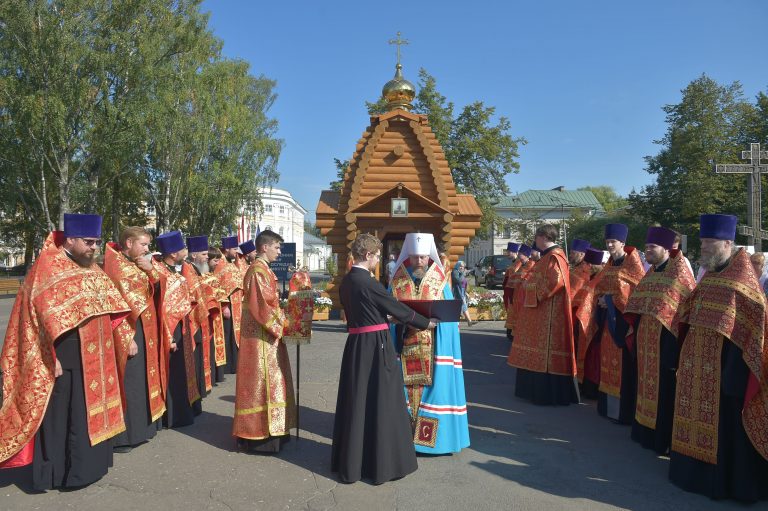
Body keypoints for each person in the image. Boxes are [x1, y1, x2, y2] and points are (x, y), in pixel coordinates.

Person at [0, 214, 130, 490]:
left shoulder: (93, 268)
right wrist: (49, 356)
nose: (94, 247)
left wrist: (123, 337)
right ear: (70, 238)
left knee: (87, 413)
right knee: (63, 416)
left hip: (97, 356)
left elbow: (111, 307)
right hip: (64, 357)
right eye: (88, 241)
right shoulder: (48, 266)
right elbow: (32, 319)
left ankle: (90, 467)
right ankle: (61, 474)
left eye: (96, 241)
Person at [669, 214, 768, 502]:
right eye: (702, 242)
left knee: (727, 428)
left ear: (727, 243)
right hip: (697, 364)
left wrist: (734, 374)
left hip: (728, 368)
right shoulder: (711, 274)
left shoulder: (742, 282)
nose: (704, 247)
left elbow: (754, 329)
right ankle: (693, 476)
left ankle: (727, 484)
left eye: (708, 242)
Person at [331, 233, 434, 484]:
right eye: (377, 256)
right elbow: (397, 308)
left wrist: (382, 318)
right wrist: (425, 323)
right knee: (382, 401)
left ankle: (352, 463)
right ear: (368, 255)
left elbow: (364, 311)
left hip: (356, 344)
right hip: (375, 347)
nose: (378, 261)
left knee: (357, 401)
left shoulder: (347, 281)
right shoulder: (368, 282)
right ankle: (382, 464)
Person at [389, 233, 470, 454]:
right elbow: (388, 312)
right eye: (415, 257)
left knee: (432, 392)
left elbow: (449, 319)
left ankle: (430, 443)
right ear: (408, 255)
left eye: (423, 257)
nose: (419, 262)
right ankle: (403, 439)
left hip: (433, 349)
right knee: (403, 391)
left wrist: (438, 325)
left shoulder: (440, 279)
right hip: (402, 346)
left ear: (429, 256)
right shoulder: (397, 279)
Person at [623, 227, 695, 454]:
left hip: (666, 344)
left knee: (664, 392)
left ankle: (661, 439)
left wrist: (671, 350)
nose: (647, 252)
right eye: (646, 247)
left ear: (667, 248)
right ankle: (643, 431)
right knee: (644, 385)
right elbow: (638, 302)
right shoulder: (652, 272)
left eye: (652, 248)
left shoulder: (679, 273)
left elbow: (682, 312)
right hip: (646, 341)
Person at [232, 230, 296, 453]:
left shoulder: (264, 270)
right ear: (264, 247)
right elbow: (264, 308)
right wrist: (285, 326)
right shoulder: (258, 271)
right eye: (277, 247)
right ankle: (260, 435)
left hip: (266, 336)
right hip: (260, 339)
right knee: (265, 384)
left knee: (273, 383)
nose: (279, 252)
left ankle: (276, 431)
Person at [104, 226, 165, 453]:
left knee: (143, 380)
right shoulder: (116, 266)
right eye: (144, 244)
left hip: (145, 328)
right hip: (128, 331)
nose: (147, 249)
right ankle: (125, 436)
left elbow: (158, 288)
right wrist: (127, 338)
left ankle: (144, 428)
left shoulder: (135, 263)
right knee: (129, 382)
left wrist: (151, 271)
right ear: (129, 243)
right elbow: (116, 308)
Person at [507, 225, 578, 405]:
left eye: (537, 237)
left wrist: (533, 292)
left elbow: (556, 282)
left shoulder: (555, 257)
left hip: (550, 316)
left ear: (544, 237)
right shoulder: (546, 257)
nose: (535, 241)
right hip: (541, 312)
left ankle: (546, 394)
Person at [580, 224, 645, 422]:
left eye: (613, 242)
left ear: (623, 243)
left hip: (622, 326)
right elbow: (599, 287)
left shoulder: (633, 266)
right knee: (606, 365)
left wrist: (609, 300)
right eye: (607, 242)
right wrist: (601, 299)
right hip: (608, 325)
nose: (609, 245)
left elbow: (634, 296)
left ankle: (622, 413)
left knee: (622, 368)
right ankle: (607, 408)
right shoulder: (609, 266)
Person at [153, 230, 200, 428]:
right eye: (182, 248)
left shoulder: (175, 271)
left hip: (182, 326)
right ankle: (174, 416)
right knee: (174, 372)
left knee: (183, 370)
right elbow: (163, 307)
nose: (186, 251)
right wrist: (168, 335)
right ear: (173, 253)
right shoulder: (161, 272)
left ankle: (185, 411)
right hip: (171, 328)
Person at [573, 247, 607, 398]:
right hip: (583, 321)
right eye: (587, 264)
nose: (587, 266)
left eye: (590, 264)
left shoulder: (601, 279)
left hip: (595, 324)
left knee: (592, 358)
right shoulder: (592, 278)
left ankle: (591, 388)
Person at [183, 236, 213, 396]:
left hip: (201, 318)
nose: (207, 257)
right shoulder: (188, 270)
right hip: (193, 320)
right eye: (204, 254)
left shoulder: (196, 270)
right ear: (194, 255)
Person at [216, 236, 244, 374]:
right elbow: (218, 287)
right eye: (234, 249)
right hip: (228, 305)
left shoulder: (230, 263)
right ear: (227, 249)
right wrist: (224, 306)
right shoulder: (220, 264)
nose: (236, 251)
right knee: (228, 334)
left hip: (236, 304)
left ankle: (235, 364)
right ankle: (227, 366)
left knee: (234, 334)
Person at [504, 244, 535, 342]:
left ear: (526, 255)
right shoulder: (522, 265)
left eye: (520, 254)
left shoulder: (531, 265)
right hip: (516, 297)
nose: (518, 256)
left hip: (524, 299)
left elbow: (526, 280)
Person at [501, 242, 521, 336]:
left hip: (515, 293)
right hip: (510, 293)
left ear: (514, 252)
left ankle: (513, 333)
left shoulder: (519, 263)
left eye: (509, 252)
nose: (507, 254)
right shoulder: (514, 263)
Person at [451, 260, 475, 325]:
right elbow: (458, 280)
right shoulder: (455, 271)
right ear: (457, 265)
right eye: (460, 266)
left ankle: (469, 321)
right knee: (462, 305)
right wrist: (463, 274)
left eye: (463, 267)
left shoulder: (460, 272)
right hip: (457, 291)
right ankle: (466, 321)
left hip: (461, 290)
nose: (462, 268)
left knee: (463, 305)